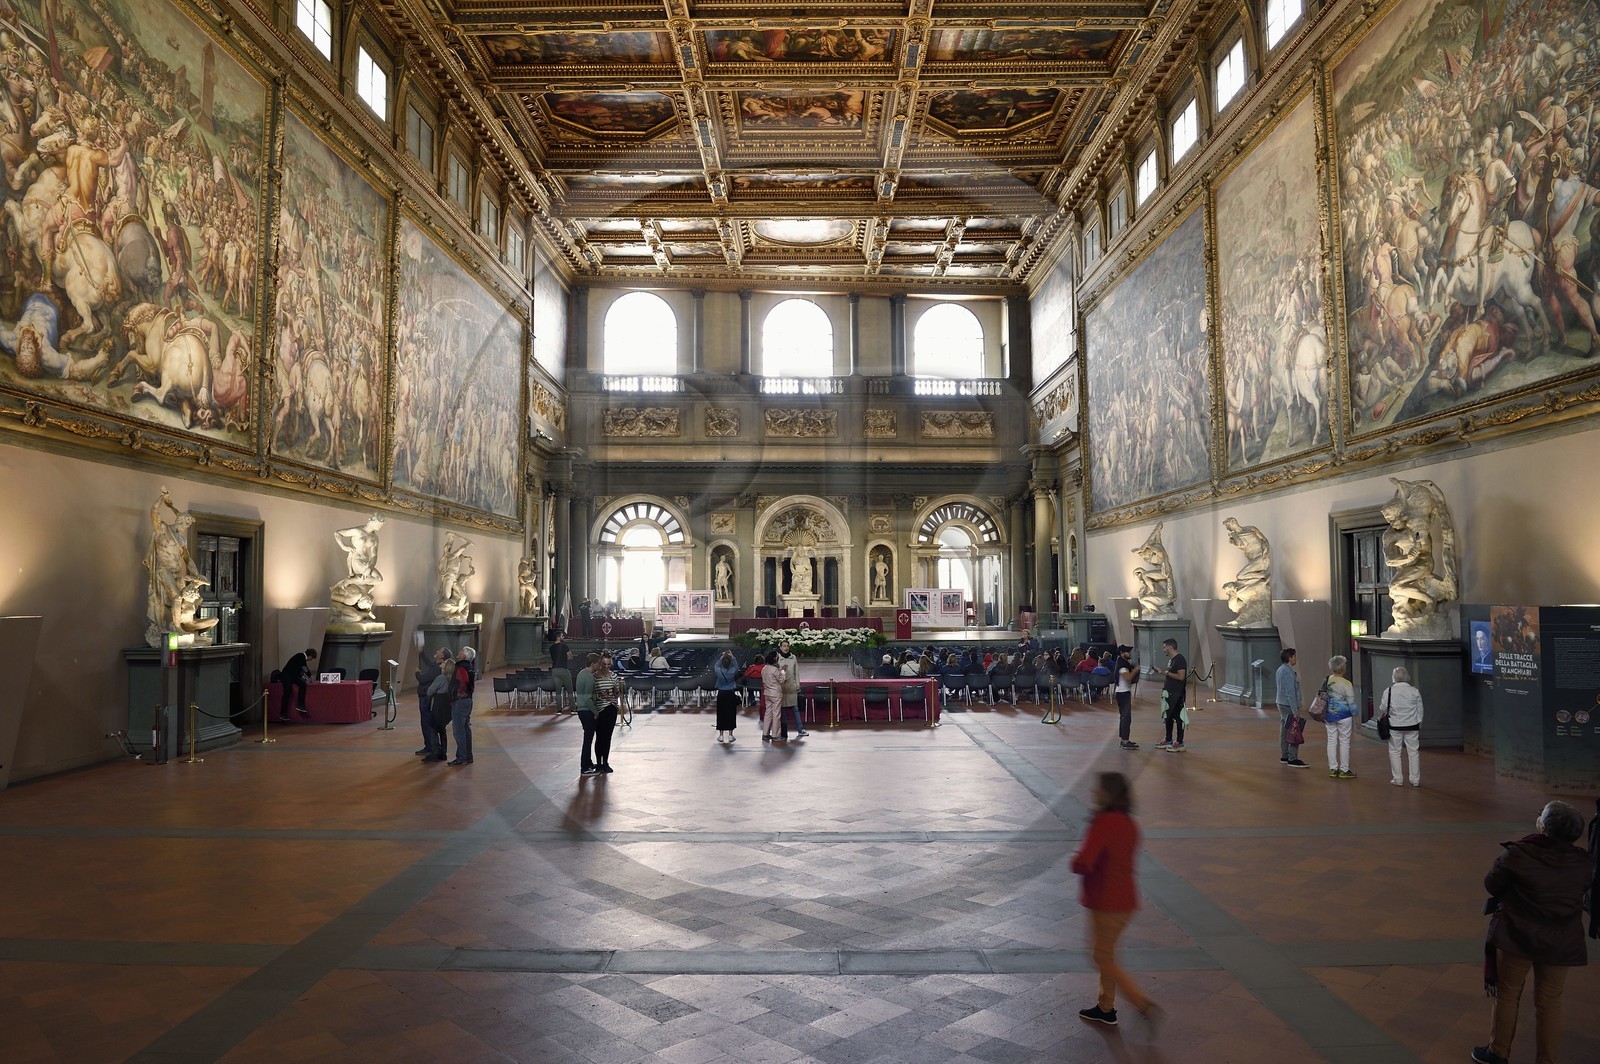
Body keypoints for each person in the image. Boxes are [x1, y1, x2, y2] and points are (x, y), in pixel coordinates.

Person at [1472, 800, 1591, 1064]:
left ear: (1545, 827)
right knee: (1549, 1002)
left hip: (1518, 936)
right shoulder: (1583, 862)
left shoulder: (1520, 853)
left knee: (1508, 993)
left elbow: (1492, 885)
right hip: (1561, 940)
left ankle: (1498, 1052)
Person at [1072, 772, 1158, 1028]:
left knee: (1101, 956)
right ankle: (1105, 1006)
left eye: (1098, 789)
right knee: (1106, 954)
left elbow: (1086, 860)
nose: (1094, 793)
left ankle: (1143, 1004)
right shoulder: (1129, 823)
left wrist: (1075, 862)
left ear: (1108, 793)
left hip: (1105, 900)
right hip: (1125, 899)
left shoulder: (1104, 822)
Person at [1379, 666, 1423, 786]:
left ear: (1394, 678)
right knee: (1413, 752)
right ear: (1407, 676)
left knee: (1394, 751)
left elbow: (1383, 708)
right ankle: (1415, 780)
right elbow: (1420, 710)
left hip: (1395, 725)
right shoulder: (1414, 691)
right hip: (1412, 725)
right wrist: (1419, 722)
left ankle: (1398, 779)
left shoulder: (1388, 691)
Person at [1323, 655, 1357, 779]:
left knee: (1331, 741)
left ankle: (1333, 768)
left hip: (1330, 715)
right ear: (1342, 667)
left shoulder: (1328, 680)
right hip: (1344, 715)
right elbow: (1351, 702)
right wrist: (1356, 717)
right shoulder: (1346, 683)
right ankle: (1344, 769)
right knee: (1344, 742)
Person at [1275, 648, 1309, 768]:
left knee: (1285, 729)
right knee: (1295, 729)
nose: (1295, 658)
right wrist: (1295, 711)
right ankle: (1292, 757)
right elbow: (1290, 692)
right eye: (1294, 656)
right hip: (1288, 705)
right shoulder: (1287, 672)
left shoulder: (1281, 669)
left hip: (1281, 703)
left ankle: (1284, 755)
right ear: (1289, 658)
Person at [591, 652, 622, 773]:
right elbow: (593, 693)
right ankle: (599, 763)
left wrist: (615, 691)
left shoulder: (613, 676)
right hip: (600, 709)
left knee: (608, 737)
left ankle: (606, 762)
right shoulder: (595, 676)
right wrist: (601, 694)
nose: (606, 667)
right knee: (600, 737)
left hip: (611, 708)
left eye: (608, 664)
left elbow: (617, 692)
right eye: (604, 664)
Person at [1154, 639, 1188, 751]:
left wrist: (1165, 672)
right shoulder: (1171, 660)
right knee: (1168, 717)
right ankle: (1168, 739)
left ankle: (1180, 742)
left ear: (1170, 647)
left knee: (1178, 718)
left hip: (1177, 694)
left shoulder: (1180, 660)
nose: (1164, 650)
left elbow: (1181, 677)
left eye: (1165, 647)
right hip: (1168, 694)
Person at [422, 651, 454, 763]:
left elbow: (430, 691)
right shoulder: (451, 679)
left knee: (433, 729)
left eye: (444, 664)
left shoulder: (441, 678)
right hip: (446, 707)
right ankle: (443, 753)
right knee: (442, 730)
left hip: (438, 706)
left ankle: (435, 753)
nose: (442, 664)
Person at [414, 640, 444, 756]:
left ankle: (431, 747)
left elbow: (423, 679)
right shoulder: (435, 665)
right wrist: (421, 652)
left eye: (440, 651)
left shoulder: (437, 669)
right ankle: (429, 745)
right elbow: (428, 661)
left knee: (427, 723)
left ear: (442, 657)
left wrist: (417, 673)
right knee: (425, 722)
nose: (437, 651)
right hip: (424, 697)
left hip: (426, 698)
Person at [574, 652, 601, 775]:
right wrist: (596, 712)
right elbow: (588, 698)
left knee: (587, 738)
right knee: (588, 740)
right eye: (598, 664)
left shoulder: (581, 674)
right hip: (587, 710)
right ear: (593, 664)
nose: (599, 666)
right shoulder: (590, 677)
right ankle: (584, 767)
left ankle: (588, 762)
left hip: (580, 709)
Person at [448, 647, 476, 766]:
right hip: (468, 701)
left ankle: (461, 757)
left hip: (460, 701)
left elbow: (463, 680)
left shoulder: (461, 667)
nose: (458, 653)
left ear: (464, 656)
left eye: (460, 652)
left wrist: (459, 692)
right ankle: (468, 756)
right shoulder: (469, 666)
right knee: (465, 730)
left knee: (458, 731)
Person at [776, 639, 805, 739]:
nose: (786, 648)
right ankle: (784, 734)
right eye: (784, 646)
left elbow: (796, 672)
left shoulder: (793, 658)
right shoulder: (777, 658)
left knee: (795, 709)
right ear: (780, 647)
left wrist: (797, 684)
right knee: (783, 710)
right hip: (781, 688)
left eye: (787, 646)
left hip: (791, 687)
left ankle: (800, 730)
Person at [278, 648, 317, 721]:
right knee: (287, 692)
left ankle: (300, 705)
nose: (311, 660)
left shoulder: (301, 658)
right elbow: (304, 668)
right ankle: (283, 714)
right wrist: (310, 676)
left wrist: (302, 677)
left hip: (292, 676)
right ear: (310, 655)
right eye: (312, 658)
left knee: (303, 684)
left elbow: (297, 669)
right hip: (286, 675)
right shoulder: (301, 656)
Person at [713, 650, 741, 743]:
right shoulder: (733, 670)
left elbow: (716, 665)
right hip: (730, 693)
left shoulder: (718, 670)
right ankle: (730, 735)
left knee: (721, 713)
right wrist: (732, 656)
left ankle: (721, 735)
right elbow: (737, 666)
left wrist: (721, 657)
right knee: (731, 713)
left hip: (721, 693)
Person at [1114, 646, 1139, 750]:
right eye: (1128, 652)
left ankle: (1124, 739)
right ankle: (1125, 741)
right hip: (1123, 693)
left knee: (1124, 717)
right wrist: (1136, 670)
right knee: (1126, 718)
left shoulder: (1123, 663)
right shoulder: (1122, 666)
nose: (1130, 654)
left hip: (1123, 692)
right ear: (1122, 653)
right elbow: (1128, 677)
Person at [759, 650, 785, 742]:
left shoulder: (764, 668)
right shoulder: (775, 670)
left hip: (767, 693)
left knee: (767, 713)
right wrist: (783, 671)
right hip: (776, 694)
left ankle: (765, 733)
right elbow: (782, 680)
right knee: (776, 714)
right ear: (775, 659)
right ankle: (775, 735)